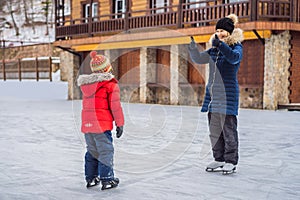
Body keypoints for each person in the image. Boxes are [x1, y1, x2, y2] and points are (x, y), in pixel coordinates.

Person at [189, 14, 243, 174]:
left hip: (228, 95)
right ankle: (218, 158)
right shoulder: (214, 49)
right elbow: (199, 59)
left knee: (228, 131)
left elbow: (234, 59)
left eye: (223, 31)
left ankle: (231, 161)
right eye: (218, 30)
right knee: (214, 131)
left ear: (230, 32)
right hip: (213, 97)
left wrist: (221, 45)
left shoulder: (236, 47)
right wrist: (193, 48)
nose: (220, 33)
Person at [77, 51, 124, 189]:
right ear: (107, 69)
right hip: (101, 126)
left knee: (92, 151)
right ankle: (107, 179)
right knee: (105, 151)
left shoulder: (87, 85)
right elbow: (115, 107)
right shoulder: (110, 84)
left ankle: (91, 178)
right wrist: (120, 124)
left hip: (87, 125)